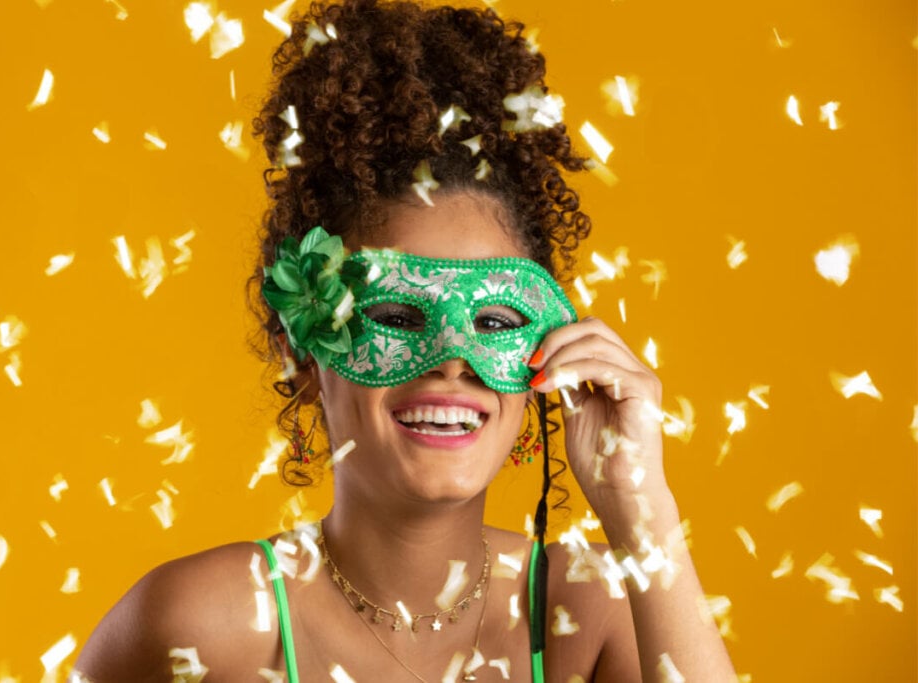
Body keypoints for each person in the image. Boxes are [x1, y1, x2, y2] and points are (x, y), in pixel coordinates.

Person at [74, 0, 736, 680]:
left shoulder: (591, 609)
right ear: (303, 348)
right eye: (395, 311)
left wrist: (641, 503)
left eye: (497, 321)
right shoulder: (202, 627)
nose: (454, 357)